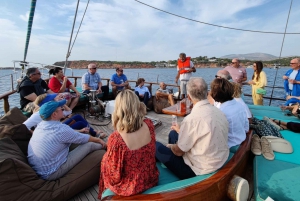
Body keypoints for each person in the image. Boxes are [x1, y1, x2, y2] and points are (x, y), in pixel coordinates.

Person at [155, 77, 229, 180]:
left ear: (189, 97)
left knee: (156, 146)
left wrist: (170, 146)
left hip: (198, 169)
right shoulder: (219, 112)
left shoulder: (191, 120)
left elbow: (179, 151)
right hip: (219, 160)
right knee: (173, 134)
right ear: (207, 93)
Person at [99, 90, 159, 197]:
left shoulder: (116, 139)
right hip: (150, 177)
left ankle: (104, 196)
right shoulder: (149, 124)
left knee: (104, 161)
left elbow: (114, 175)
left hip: (132, 186)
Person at [27, 100, 106, 180]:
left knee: (83, 137)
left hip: (41, 168)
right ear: (54, 114)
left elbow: (67, 134)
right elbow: (84, 138)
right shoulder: (60, 129)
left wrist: (80, 131)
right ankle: (109, 148)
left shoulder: (41, 125)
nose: (63, 110)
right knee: (90, 144)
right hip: (51, 172)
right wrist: (99, 140)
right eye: (61, 109)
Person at [23, 93, 107, 138]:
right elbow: (24, 126)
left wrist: (61, 103)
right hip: (53, 132)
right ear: (48, 103)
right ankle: (95, 134)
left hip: (56, 127)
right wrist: (34, 134)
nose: (56, 98)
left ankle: (93, 132)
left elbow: (69, 112)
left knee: (77, 117)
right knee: (80, 124)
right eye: (54, 99)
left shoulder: (54, 109)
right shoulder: (38, 114)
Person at [210, 78, 249, 148]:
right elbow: (246, 128)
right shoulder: (240, 105)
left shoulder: (221, 112)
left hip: (230, 144)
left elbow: (215, 136)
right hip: (241, 139)